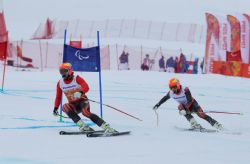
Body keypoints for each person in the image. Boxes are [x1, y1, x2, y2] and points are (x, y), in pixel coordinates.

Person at [53, 63, 117, 134]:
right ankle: (83, 126)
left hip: (83, 101)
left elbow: (86, 87)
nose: (63, 73)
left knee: (85, 112)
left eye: (64, 71)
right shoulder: (60, 83)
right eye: (61, 71)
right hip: (73, 105)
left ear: (70, 71)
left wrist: (80, 92)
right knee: (65, 107)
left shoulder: (76, 78)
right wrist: (55, 108)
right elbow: (58, 97)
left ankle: (106, 126)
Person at [153, 78, 223, 130]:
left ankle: (216, 125)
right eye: (171, 87)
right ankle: (194, 124)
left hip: (193, 104)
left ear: (178, 85)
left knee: (201, 115)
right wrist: (157, 105)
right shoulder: (171, 93)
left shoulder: (185, 89)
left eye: (174, 87)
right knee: (180, 107)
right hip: (184, 107)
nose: (173, 89)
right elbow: (164, 99)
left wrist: (186, 109)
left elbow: (189, 100)